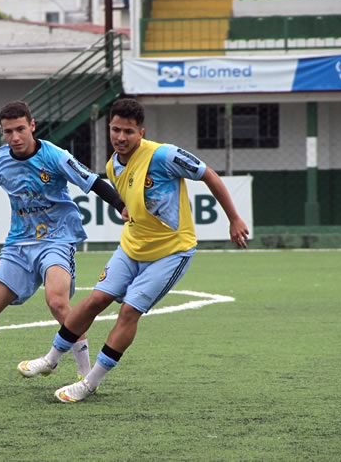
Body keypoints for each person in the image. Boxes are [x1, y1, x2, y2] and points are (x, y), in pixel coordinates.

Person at [17, 98, 249, 402]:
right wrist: (127, 209)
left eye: (128, 131)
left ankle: (89, 382)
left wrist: (233, 218)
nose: (120, 137)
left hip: (170, 253)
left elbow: (208, 174)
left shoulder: (164, 155)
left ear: (141, 132)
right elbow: (131, 199)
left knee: (128, 312)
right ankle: (50, 359)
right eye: (115, 130)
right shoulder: (112, 165)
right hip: (131, 247)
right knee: (93, 301)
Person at [0, 101, 126, 389]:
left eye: (20, 129)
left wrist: (121, 206)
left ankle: (85, 373)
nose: (15, 137)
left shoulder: (55, 156)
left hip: (57, 240)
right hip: (18, 246)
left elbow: (93, 181)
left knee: (58, 301)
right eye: (8, 131)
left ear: (32, 126)